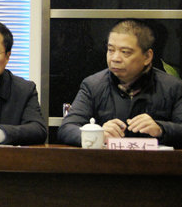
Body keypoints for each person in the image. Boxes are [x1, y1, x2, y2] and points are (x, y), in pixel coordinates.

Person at [58, 19, 182, 148]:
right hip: (107, 160)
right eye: (111, 50)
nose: (115, 58)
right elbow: (67, 129)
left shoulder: (172, 87)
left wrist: (161, 129)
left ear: (147, 57)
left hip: (155, 160)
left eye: (125, 52)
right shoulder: (93, 85)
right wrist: (98, 134)